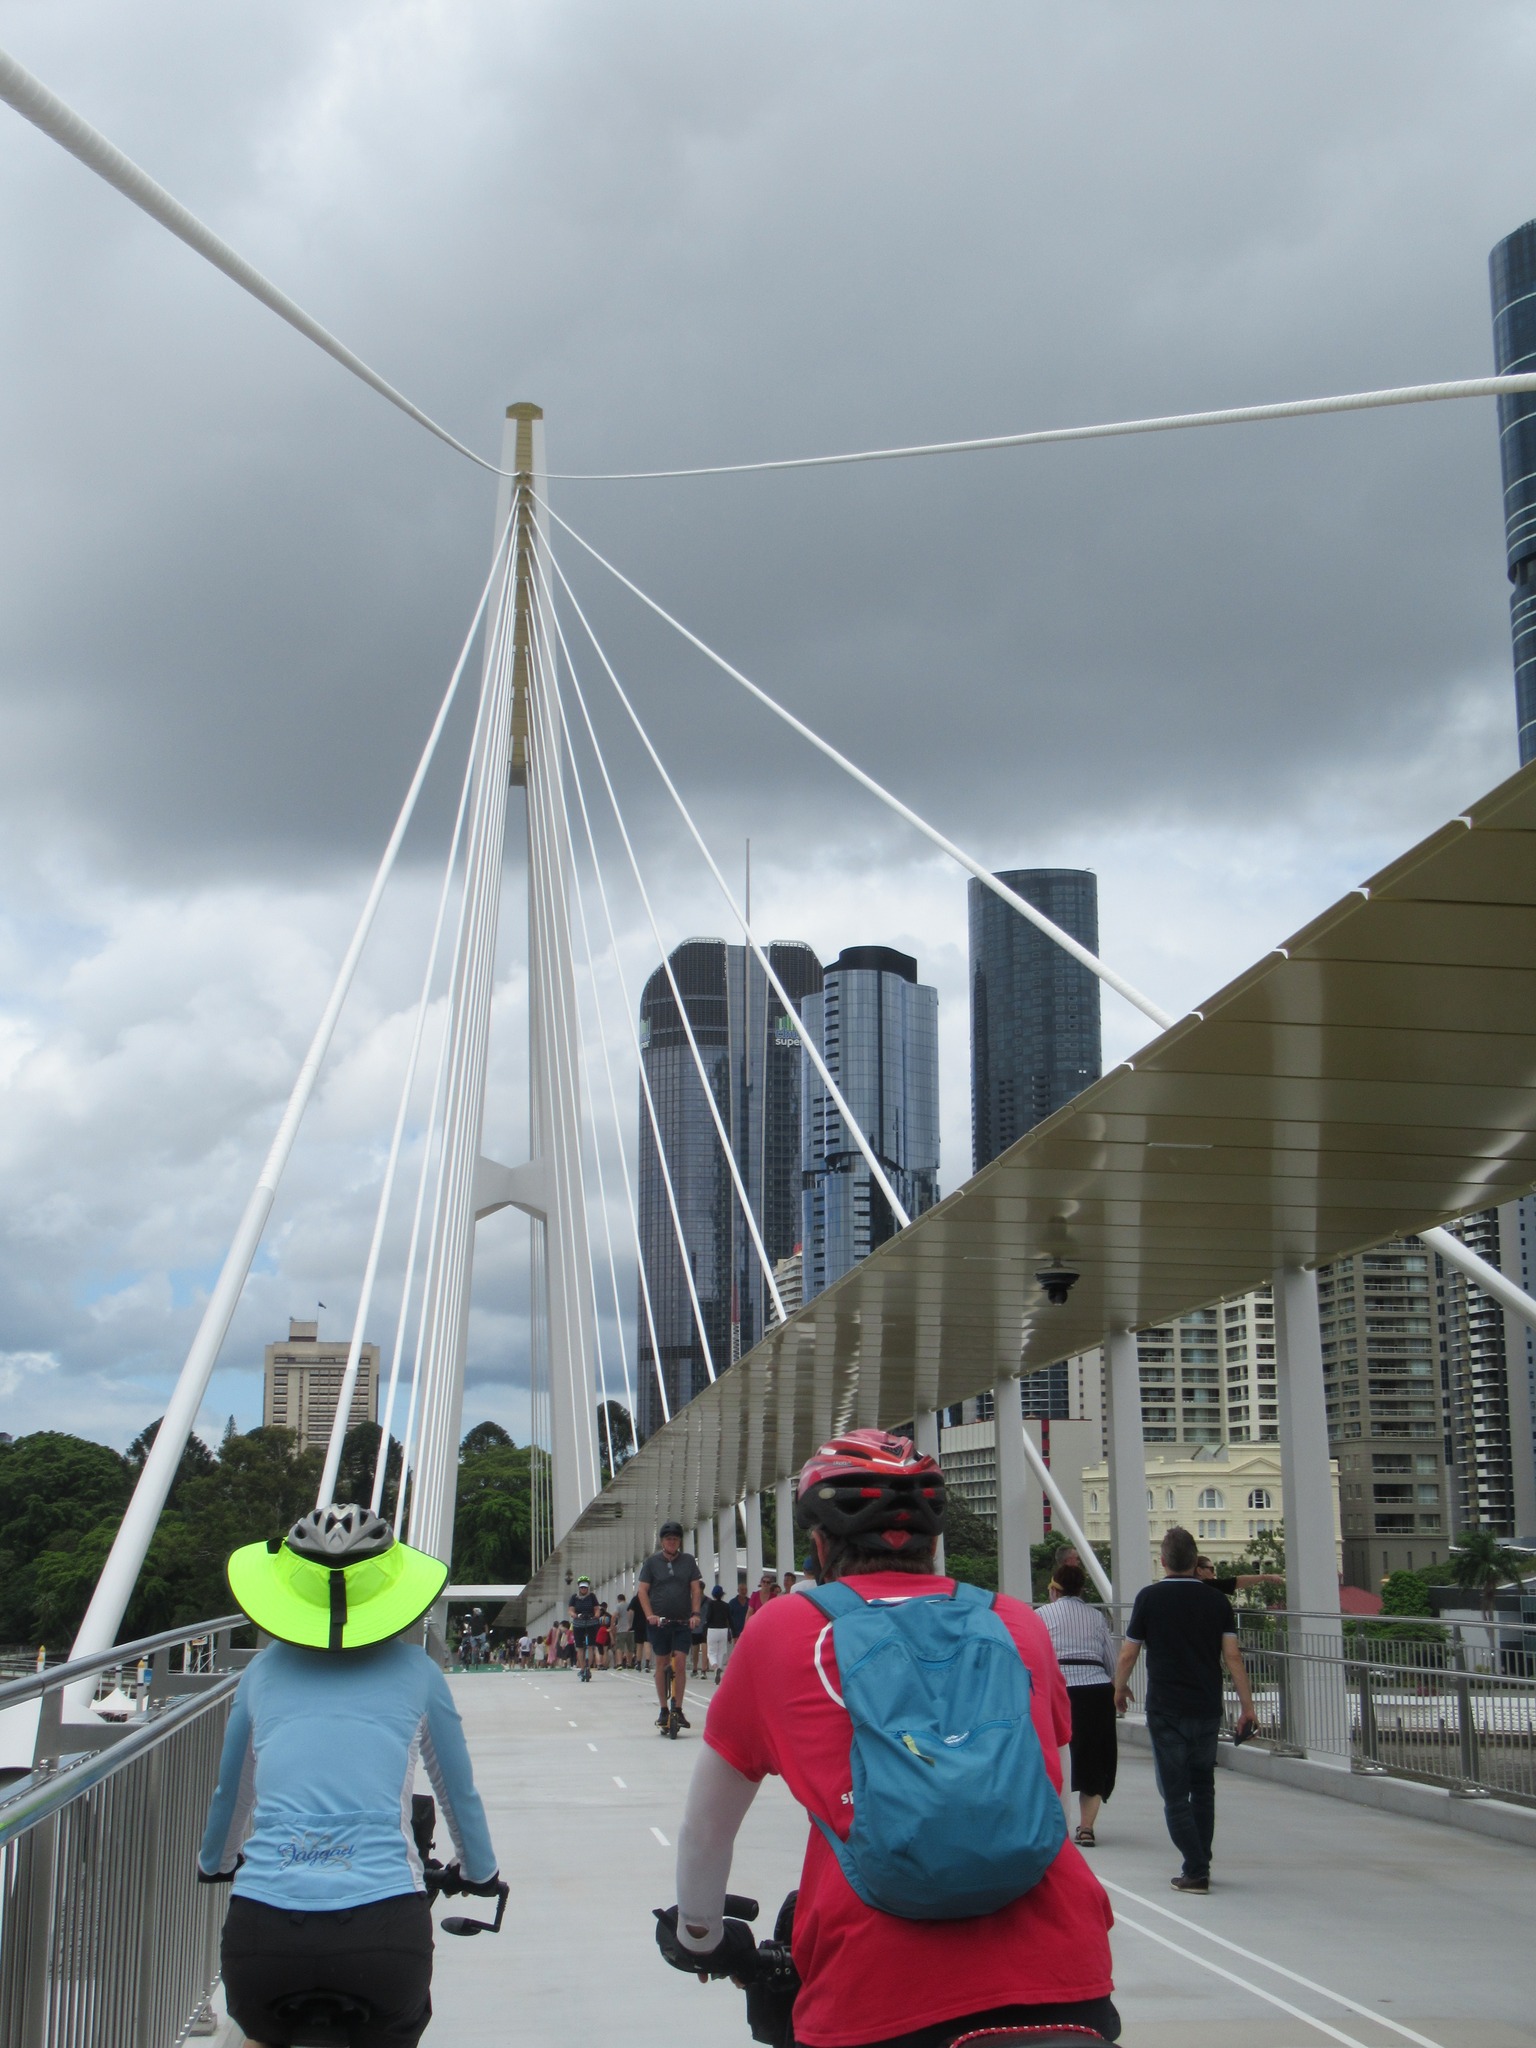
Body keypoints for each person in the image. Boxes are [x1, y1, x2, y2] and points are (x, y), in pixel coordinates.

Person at [660, 1430, 1117, 2047]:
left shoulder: (785, 1628)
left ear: (821, 1546)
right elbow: (1049, 1801)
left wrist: (700, 1936)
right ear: (933, 1543)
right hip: (1065, 1976)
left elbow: (707, 1829)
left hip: (875, 1992)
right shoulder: (1017, 1622)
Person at [198, 1503, 500, 2048]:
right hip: (383, 1937)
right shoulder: (419, 1672)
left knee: (257, 2034)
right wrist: (478, 1872)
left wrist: (216, 1862)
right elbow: (458, 1792)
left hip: (265, 1938)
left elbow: (231, 1793)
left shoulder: (260, 1672)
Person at [1114, 1525, 1258, 1895]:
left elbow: (1129, 1653)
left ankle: (1195, 1869)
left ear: (1162, 1561)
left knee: (1174, 1793)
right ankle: (1200, 1861)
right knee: (1203, 1786)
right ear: (1196, 1562)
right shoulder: (1217, 1601)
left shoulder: (1149, 1598)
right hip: (1207, 1706)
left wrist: (1119, 1688)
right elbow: (1233, 1657)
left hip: (1166, 1708)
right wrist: (1247, 1706)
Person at [1040, 1560, 1118, 1846]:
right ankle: (1086, 1828)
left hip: (1058, 1690)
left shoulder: (1042, 1615)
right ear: (1082, 1589)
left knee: (1052, 1755)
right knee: (1094, 1759)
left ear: (1054, 1589)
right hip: (1095, 1691)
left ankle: (1051, 1825)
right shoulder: (1096, 1617)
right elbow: (1110, 1662)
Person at [637, 1520, 703, 1734]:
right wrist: (650, 1615)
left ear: (680, 1541)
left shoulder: (688, 1561)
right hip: (659, 1622)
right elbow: (642, 1591)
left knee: (680, 1662)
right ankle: (663, 1709)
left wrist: (695, 1614)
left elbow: (696, 1589)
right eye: (668, 1539)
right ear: (662, 1541)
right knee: (662, 1662)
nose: (672, 1542)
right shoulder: (651, 1563)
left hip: (682, 1621)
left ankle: (679, 1708)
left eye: (675, 1539)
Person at [569, 1576, 600, 1683]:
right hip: (578, 1624)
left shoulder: (592, 1596)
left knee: (590, 1646)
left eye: (585, 1587)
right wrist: (575, 1615)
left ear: (588, 1588)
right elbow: (571, 1610)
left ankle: (588, 1668)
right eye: (582, 1587)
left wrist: (595, 1615)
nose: (583, 1589)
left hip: (591, 1623)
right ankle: (582, 1668)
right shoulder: (574, 1597)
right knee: (580, 1647)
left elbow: (597, 1609)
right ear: (579, 1587)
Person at [702, 1584, 733, 1684]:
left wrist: (705, 1629)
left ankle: (715, 1666)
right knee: (721, 1652)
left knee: (711, 1652)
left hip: (712, 1630)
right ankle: (718, 1670)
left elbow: (708, 1617)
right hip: (723, 1630)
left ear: (713, 1594)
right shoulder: (726, 1605)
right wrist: (731, 1631)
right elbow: (730, 1619)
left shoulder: (711, 1604)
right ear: (722, 1594)